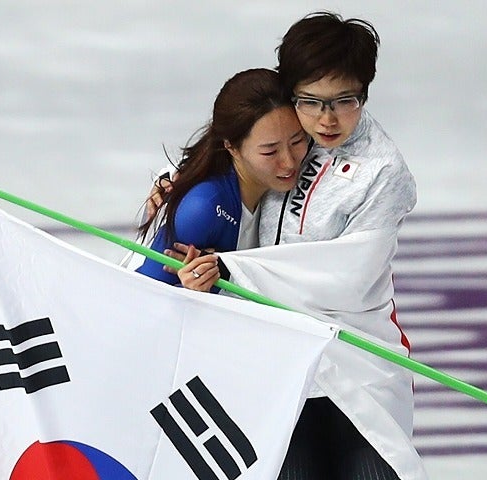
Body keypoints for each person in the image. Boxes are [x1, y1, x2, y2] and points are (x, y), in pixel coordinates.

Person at [153, 12, 426, 480]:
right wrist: (180, 189)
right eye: (312, 102)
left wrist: (232, 275)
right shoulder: (280, 130)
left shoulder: (383, 173)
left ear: (366, 90)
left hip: (354, 364)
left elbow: (349, 279)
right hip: (273, 365)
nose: (327, 119)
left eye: (346, 100)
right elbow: (230, 153)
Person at [131, 68, 308, 291]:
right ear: (231, 146)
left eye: (297, 141)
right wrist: (189, 293)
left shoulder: (293, 170)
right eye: (270, 152)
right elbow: (139, 295)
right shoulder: (203, 209)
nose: (289, 162)